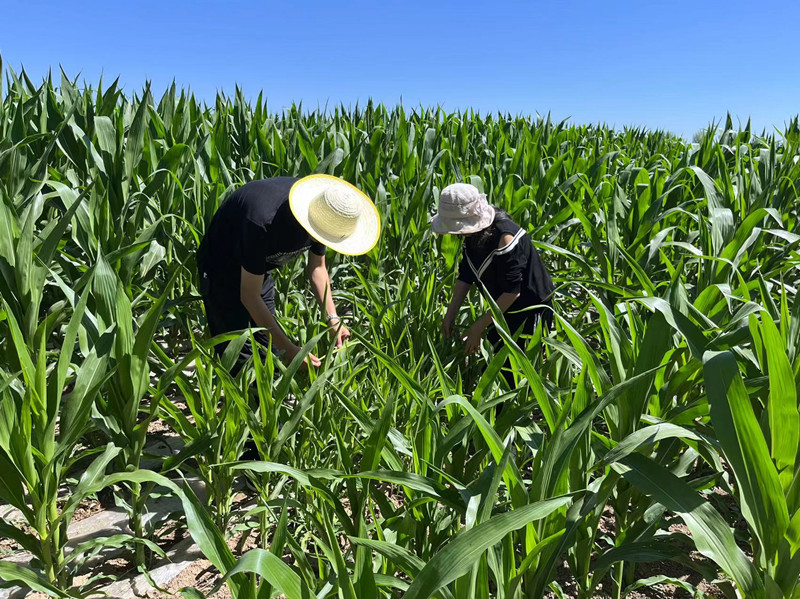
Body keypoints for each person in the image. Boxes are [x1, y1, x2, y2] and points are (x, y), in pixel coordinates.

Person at [197, 175, 380, 371]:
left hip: (258, 271)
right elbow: (249, 296)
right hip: (221, 270)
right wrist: (292, 350)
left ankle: (266, 398)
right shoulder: (263, 220)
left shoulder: (327, 215)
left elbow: (317, 268)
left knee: (270, 354)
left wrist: (332, 318)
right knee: (241, 360)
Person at [432, 183, 554, 384]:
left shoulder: (505, 238)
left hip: (530, 307)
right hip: (501, 306)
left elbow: (512, 291)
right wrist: (450, 314)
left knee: (517, 369)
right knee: (496, 364)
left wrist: (477, 327)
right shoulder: (472, 235)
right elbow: (466, 274)